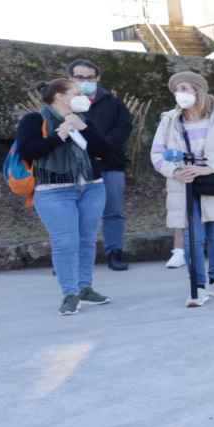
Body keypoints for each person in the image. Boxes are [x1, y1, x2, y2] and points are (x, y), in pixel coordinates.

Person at [17, 78, 115, 316]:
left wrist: (83, 128)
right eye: (76, 92)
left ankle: (85, 288)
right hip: (54, 191)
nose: (83, 96)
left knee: (87, 240)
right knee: (65, 242)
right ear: (59, 96)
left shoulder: (83, 119)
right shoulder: (34, 120)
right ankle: (69, 293)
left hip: (92, 187)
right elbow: (29, 151)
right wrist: (59, 135)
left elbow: (105, 151)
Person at [151, 71, 214, 307]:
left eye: (184, 88)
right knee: (193, 237)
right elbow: (157, 154)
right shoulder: (169, 120)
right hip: (185, 186)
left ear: (197, 91)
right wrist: (175, 171)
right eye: (176, 89)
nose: (179, 93)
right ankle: (198, 286)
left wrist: (209, 168)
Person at [68, 59, 134, 272]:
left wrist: (102, 148)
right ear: (71, 78)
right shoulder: (64, 103)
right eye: (79, 77)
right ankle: (72, 257)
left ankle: (114, 252)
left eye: (89, 77)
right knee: (75, 212)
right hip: (75, 167)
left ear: (97, 78)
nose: (84, 81)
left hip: (110, 164)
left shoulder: (113, 102)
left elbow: (124, 127)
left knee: (113, 211)